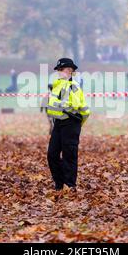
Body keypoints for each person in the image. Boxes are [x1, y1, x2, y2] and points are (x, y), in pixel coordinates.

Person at [47, 58, 90, 192]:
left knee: (69, 155)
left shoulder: (73, 86)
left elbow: (76, 106)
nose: (60, 72)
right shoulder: (57, 84)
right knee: (52, 154)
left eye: (63, 69)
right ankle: (60, 184)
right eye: (59, 70)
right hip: (59, 123)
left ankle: (69, 185)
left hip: (71, 123)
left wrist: (76, 124)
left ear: (71, 71)